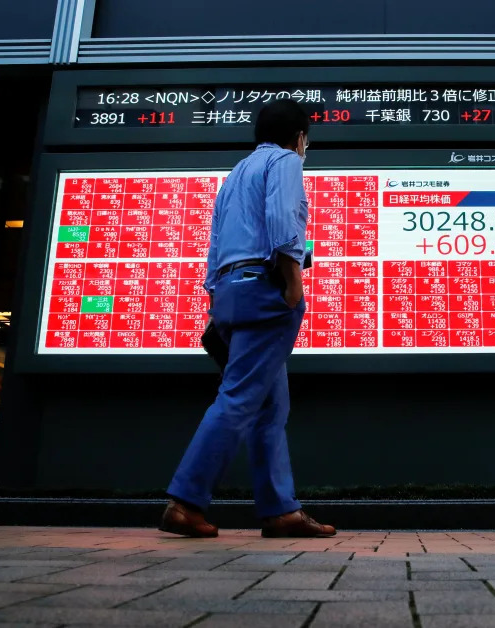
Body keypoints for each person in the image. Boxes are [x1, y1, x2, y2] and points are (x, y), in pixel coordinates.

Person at [159, 99, 335, 539]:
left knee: (271, 406)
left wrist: (216, 300)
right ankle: (184, 501)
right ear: (300, 139)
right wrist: (294, 283)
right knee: (238, 398)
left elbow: (216, 242)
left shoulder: (236, 173)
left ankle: (280, 510)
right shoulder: (286, 162)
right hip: (265, 290)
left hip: (230, 294)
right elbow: (282, 220)